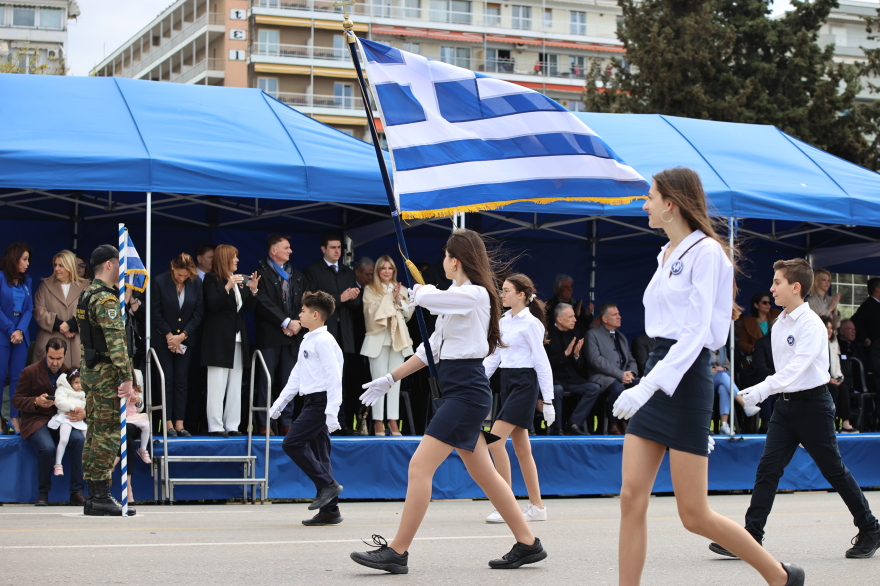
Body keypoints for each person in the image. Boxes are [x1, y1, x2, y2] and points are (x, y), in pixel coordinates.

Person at [612, 168, 802, 586]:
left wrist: (648, 386)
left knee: (694, 515)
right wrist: (649, 380)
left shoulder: (708, 252)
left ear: (670, 203)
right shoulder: (665, 254)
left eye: (649, 197)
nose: (644, 205)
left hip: (687, 373)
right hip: (660, 364)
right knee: (630, 497)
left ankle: (779, 576)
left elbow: (697, 333)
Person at [352, 230, 547, 574]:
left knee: (419, 467)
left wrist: (419, 291)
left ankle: (397, 551)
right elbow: (431, 350)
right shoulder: (455, 297)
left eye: (445, 255)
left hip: (466, 392)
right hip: (458, 390)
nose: (443, 260)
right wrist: (389, 378)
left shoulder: (474, 294)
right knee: (485, 474)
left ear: (455, 261)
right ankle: (528, 542)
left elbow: (431, 299)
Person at [709, 258, 880, 564]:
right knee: (767, 470)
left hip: (813, 406)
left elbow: (797, 368)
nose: (772, 288)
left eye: (777, 283)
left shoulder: (811, 324)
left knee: (834, 471)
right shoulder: (780, 324)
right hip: (786, 407)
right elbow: (783, 372)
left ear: (796, 287)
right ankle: (751, 537)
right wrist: (767, 393)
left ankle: (870, 528)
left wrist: (760, 391)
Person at [483, 273, 555, 524]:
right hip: (507, 381)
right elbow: (494, 357)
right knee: (522, 449)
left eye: (506, 290)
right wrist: (475, 381)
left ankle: (505, 506)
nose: (502, 294)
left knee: (494, 442)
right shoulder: (503, 321)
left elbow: (541, 361)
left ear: (522, 295)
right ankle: (537, 507)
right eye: (502, 290)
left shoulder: (531, 323)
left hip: (525, 383)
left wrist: (548, 400)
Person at [269, 291, 345, 526]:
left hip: (321, 402)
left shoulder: (324, 341)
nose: (299, 314)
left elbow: (334, 377)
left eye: (302, 311)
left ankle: (328, 485)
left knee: (291, 443)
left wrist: (332, 410)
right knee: (321, 455)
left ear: (315, 315)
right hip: (312, 400)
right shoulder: (308, 339)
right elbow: (296, 376)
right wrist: (279, 404)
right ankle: (330, 511)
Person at [77, 244, 135, 517]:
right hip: (106, 374)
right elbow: (116, 343)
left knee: (94, 433)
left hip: (91, 371)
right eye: (119, 262)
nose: (123, 268)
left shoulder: (87, 294)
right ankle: (100, 496)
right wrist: (126, 376)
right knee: (107, 435)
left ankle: (93, 495)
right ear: (110, 265)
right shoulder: (106, 300)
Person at [12, 337, 84, 506]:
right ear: (46, 354)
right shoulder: (29, 372)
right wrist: (36, 401)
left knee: (79, 440)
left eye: (59, 358)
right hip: (36, 420)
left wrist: (83, 413)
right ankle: (43, 493)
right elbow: (16, 401)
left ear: (65, 355)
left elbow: (84, 398)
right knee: (47, 448)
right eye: (51, 358)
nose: (55, 362)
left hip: (62, 420)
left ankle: (77, 492)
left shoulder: (71, 374)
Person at [304, 233, 362, 432]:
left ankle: (340, 422)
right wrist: (340, 298)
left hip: (343, 334)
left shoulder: (347, 272)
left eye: (339, 248)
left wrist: (353, 297)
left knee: (341, 379)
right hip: (323, 333)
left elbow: (356, 305)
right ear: (323, 249)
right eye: (333, 247)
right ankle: (317, 422)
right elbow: (310, 302)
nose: (337, 251)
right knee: (320, 379)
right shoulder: (313, 270)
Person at [201, 244, 259, 438]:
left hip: (238, 337)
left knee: (235, 383)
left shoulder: (238, 280)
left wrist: (253, 291)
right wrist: (227, 287)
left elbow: (247, 308)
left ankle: (232, 424)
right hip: (218, 338)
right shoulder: (211, 279)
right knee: (217, 383)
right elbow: (212, 305)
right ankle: (215, 425)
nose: (237, 260)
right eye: (234, 257)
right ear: (224, 258)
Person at [253, 234, 306, 436]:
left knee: (289, 381)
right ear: (273, 251)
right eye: (286, 248)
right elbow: (262, 302)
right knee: (266, 381)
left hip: (292, 336)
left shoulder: (297, 275)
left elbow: (305, 300)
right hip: (270, 335)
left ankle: (286, 421)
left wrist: (296, 323)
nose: (290, 251)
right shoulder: (260, 274)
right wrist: (285, 322)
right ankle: (264, 422)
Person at [151, 253, 204, 437]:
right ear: (172, 267)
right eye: (179, 274)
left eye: (185, 275)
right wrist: (169, 336)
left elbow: (198, 313)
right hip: (163, 339)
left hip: (185, 340)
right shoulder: (160, 281)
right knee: (166, 380)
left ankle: (180, 423)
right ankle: (168, 423)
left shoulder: (196, 283)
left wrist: (182, 336)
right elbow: (155, 312)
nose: (182, 278)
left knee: (182, 380)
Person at [361, 255, 413, 436]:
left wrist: (398, 300)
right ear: (377, 271)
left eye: (390, 268)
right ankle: (378, 421)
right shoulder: (370, 289)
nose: (386, 271)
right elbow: (370, 313)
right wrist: (390, 298)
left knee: (394, 382)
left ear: (394, 271)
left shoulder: (402, 289)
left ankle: (393, 421)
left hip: (398, 340)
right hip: (378, 340)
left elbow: (408, 313)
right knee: (378, 382)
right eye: (383, 268)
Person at [545, 303, 602, 435]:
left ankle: (573, 424)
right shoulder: (546, 334)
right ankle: (557, 428)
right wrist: (564, 354)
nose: (575, 320)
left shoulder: (575, 333)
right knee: (557, 390)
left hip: (571, 379)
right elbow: (544, 363)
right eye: (571, 317)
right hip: (553, 379)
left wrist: (576, 356)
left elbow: (581, 366)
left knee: (594, 388)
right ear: (560, 319)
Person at [585, 303, 638, 435]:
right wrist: (620, 375)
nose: (619, 317)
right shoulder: (592, 335)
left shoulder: (621, 336)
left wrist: (631, 373)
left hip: (622, 377)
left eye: (618, 314)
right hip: (602, 377)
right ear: (605, 319)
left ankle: (632, 421)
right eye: (615, 315)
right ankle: (613, 423)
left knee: (639, 385)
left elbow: (631, 359)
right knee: (617, 388)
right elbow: (595, 360)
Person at [32, 250, 89, 369]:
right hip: (49, 341)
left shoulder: (86, 286)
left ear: (70, 266)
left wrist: (71, 324)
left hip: (75, 344)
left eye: (61, 265)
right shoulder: (45, 286)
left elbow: (90, 310)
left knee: (74, 378)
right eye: (55, 265)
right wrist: (59, 325)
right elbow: (39, 311)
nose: (56, 268)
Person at [0, 241, 33, 434]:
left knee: (17, 378)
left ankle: (14, 416)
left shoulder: (26, 281)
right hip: (3, 333)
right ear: (14, 259)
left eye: (28, 260)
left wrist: (20, 330)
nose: (27, 263)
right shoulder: (1, 277)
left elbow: (29, 309)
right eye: (24, 259)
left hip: (21, 335)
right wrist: (11, 329)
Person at [710, 345, 760, 435]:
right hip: (707, 378)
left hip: (721, 378)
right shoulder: (704, 347)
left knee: (723, 388)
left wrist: (724, 368)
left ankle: (724, 425)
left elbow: (728, 365)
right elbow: (699, 365)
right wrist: (713, 369)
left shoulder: (722, 348)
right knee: (724, 376)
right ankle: (745, 404)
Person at [822, 315, 857, 432]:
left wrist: (839, 377)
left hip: (832, 378)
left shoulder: (833, 342)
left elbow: (836, 362)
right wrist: (827, 379)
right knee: (833, 389)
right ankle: (830, 423)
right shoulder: (815, 343)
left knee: (843, 388)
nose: (829, 330)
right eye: (826, 327)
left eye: (831, 328)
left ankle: (846, 423)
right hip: (819, 379)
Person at [48, 370, 87, 476]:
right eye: (76, 382)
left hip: (78, 420)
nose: (79, 385)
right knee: (64, 439)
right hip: (65, 418)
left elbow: (84, 403)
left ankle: (90, 463)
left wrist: (82, 409)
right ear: (70, 382)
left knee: (88, 439)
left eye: (81, 382)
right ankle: (58, 464)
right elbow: (59, 402)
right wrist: (72, 406)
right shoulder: (62, 390)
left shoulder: (82, 393)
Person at [850, 277, 880, 347]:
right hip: (874, 346)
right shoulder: (868, 305)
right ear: (877, 290)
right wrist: (864, 338)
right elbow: (855, 321)